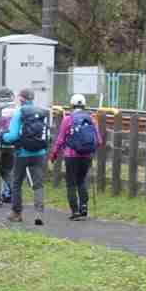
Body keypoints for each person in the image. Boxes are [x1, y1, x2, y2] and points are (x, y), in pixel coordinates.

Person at [0, 87, 51, 225]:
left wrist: (2, 136)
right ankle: (39, 213)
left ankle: (16, 213)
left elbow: (13, 136)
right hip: (40, 153)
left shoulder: (19, 112)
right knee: (38, 184)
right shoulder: (42, 112)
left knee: (17, 183)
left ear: (21, 99)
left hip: (22, 153)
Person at [49, 93, 100, 221]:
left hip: (71, 156)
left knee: (71, 183)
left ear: (71, 105)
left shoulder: (68, 119)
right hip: (87, 156)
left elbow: (60, 139)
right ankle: (84, 207)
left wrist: (54, 154)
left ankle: (75, 211)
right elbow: (99, 140)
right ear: (84, 105)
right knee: (81, 181)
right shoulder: (92, 119)